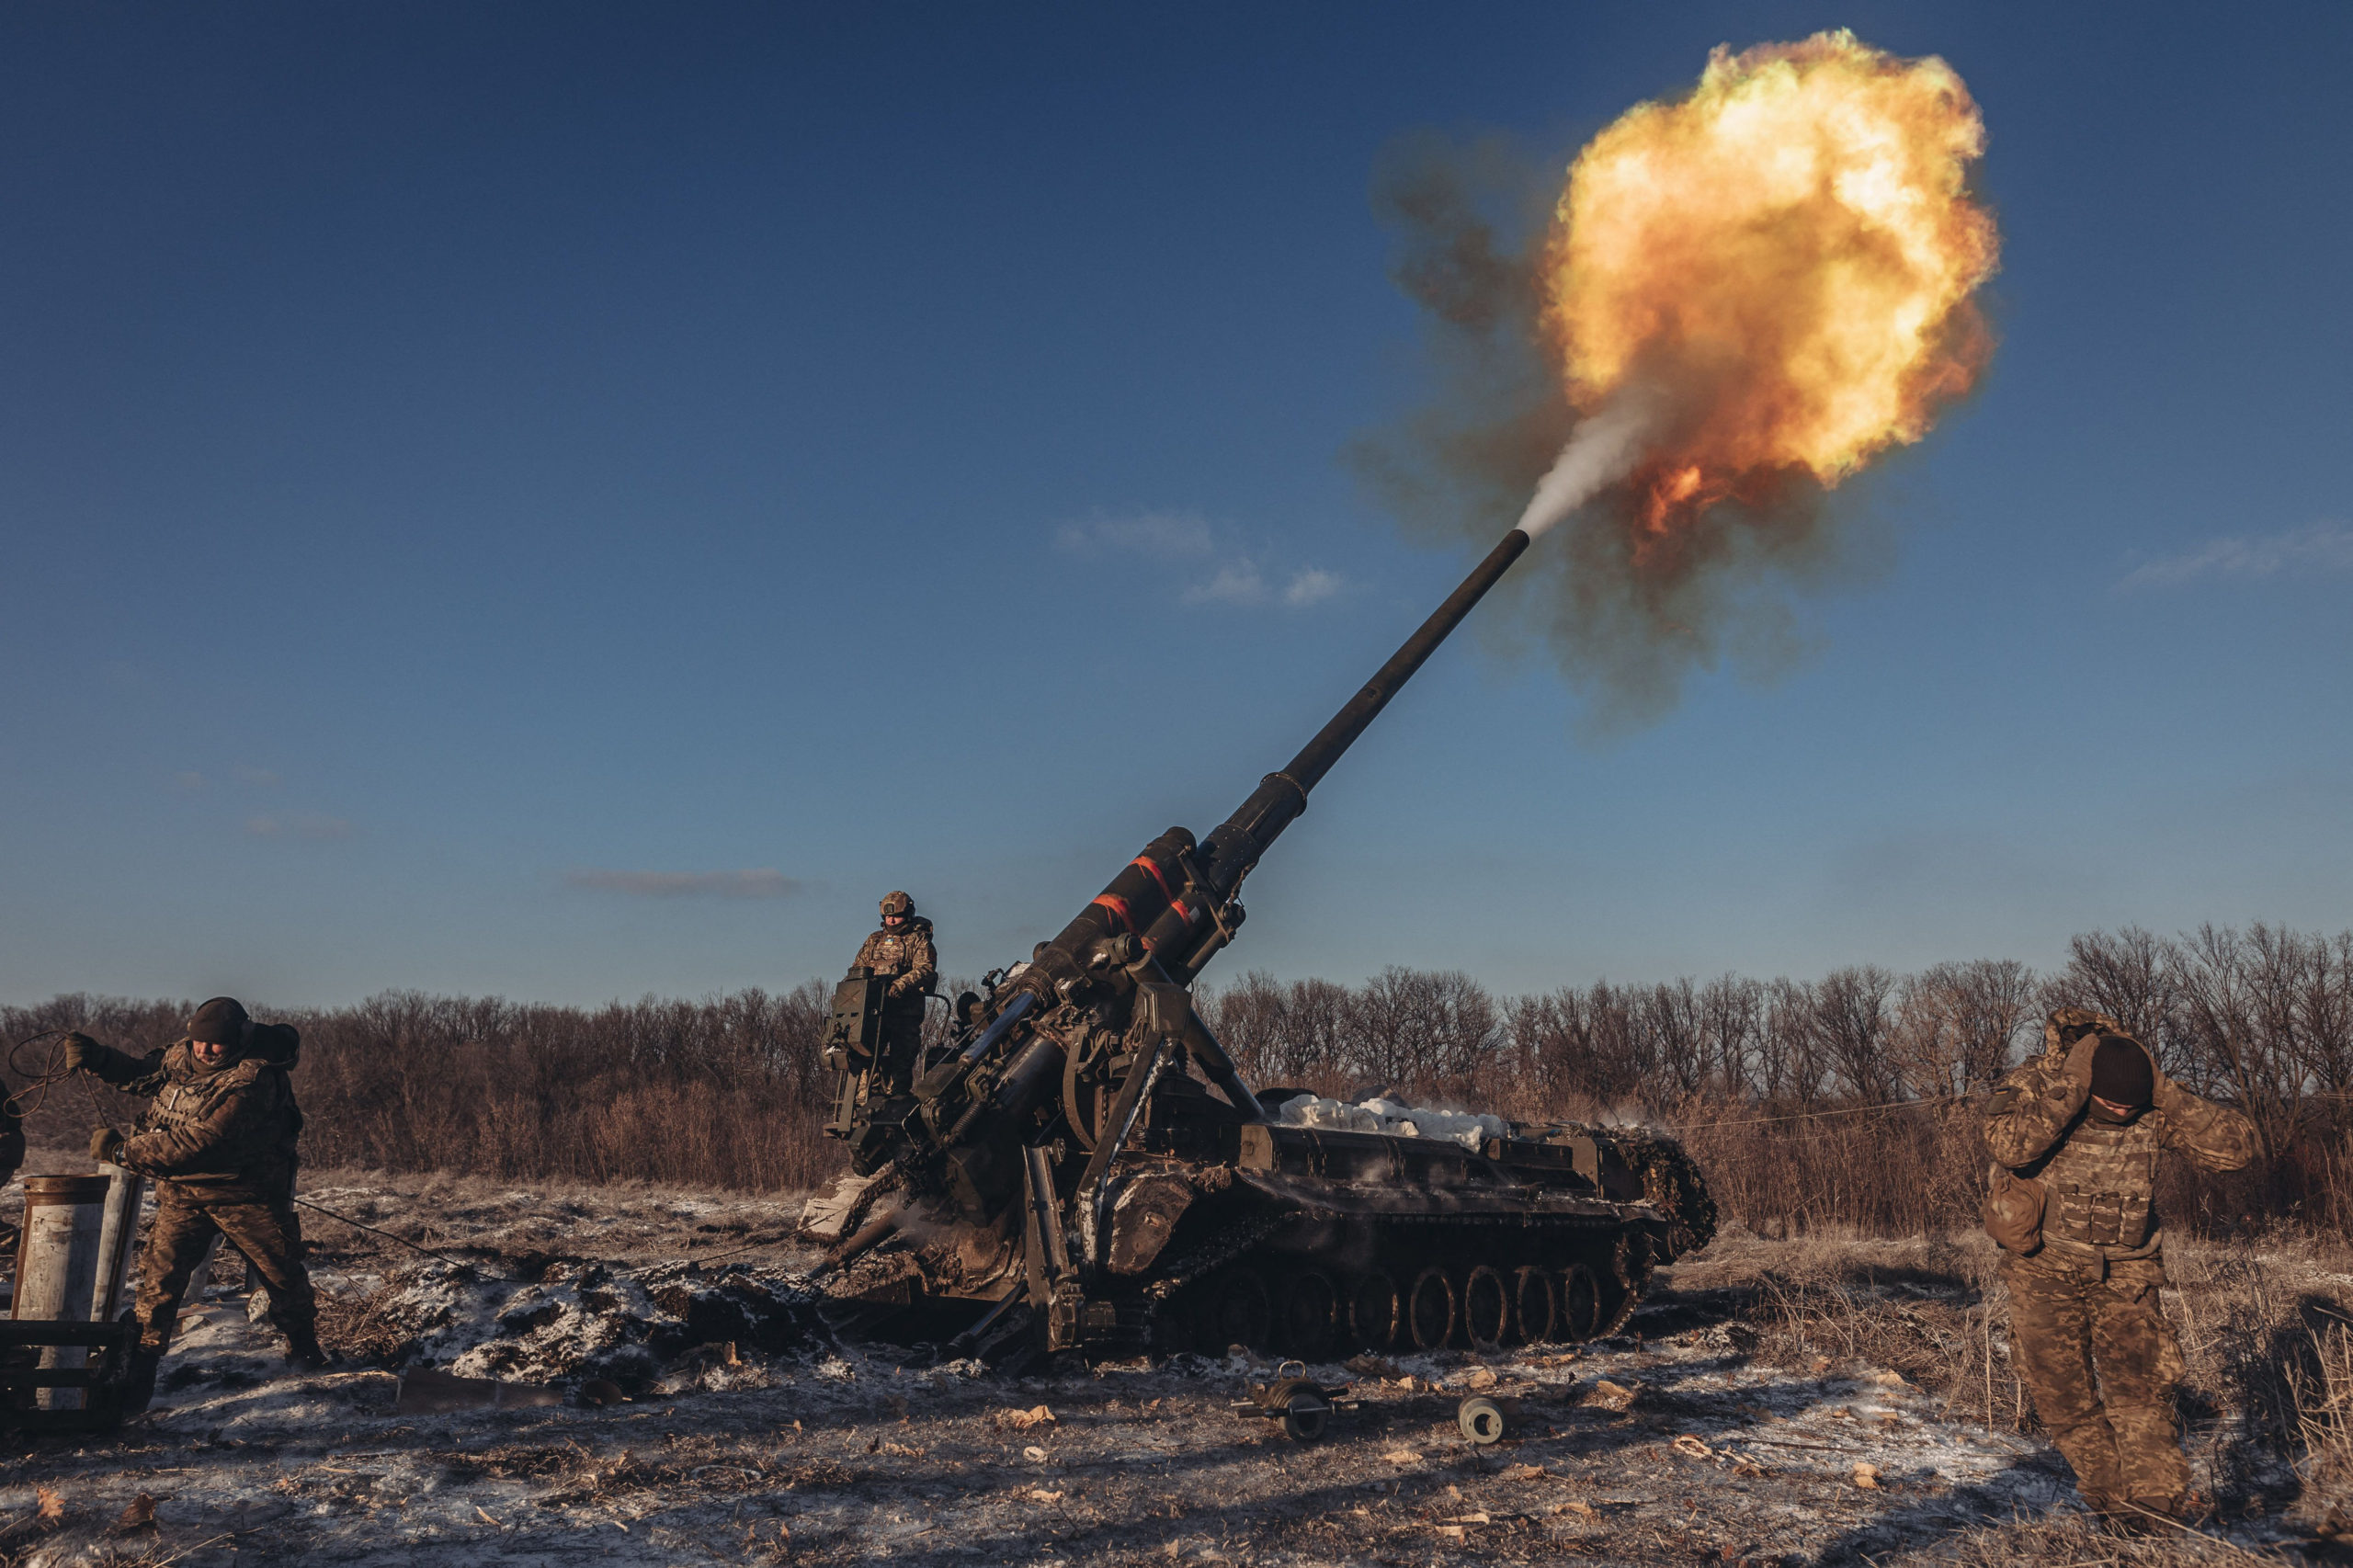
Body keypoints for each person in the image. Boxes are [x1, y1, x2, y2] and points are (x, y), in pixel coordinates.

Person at [1984, 1006, 2256, 1527]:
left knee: (2140, 1390)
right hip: (2043, 1266)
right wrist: (2068, 1094)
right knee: (2060, 1393)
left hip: (2128, 1270)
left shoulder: (2150, 1100)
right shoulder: (2036, 1084)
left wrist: (2168, 1093)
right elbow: (2009, 1147)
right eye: (2111, 1102)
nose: (2124, 1113)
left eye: (2133, 1106)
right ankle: (2111, 1499)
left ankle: (2155, 1509)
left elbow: (2236, 1151)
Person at [59, 996, 324, 1411]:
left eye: (216, 1044)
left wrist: (123, 1153)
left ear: (237, 1040)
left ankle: (307, 1358)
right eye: (199, 1042)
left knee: (283, 1277)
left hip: (247, 1196)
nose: (206, 1051)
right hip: (182, 1196)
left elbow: (201, 1143)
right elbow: (143, 1074)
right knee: (157, 1289)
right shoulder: (183, 1055)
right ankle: (133, 1390)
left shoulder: (254, 1079)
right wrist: (99, 1058)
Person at [849, 891, 936, 1095]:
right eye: (887, 916)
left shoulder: (918, 940)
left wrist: (900, 985)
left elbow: (925, 969)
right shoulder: (874, 940)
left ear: (907, 914)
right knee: (864, 1065)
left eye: (895, 915)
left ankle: (895, 1113)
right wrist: (848, 995)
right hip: (873, 1015)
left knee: (900, 1067)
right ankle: (863, 1110)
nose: (891, 920)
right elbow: (857, 970)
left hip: (904, 1014)